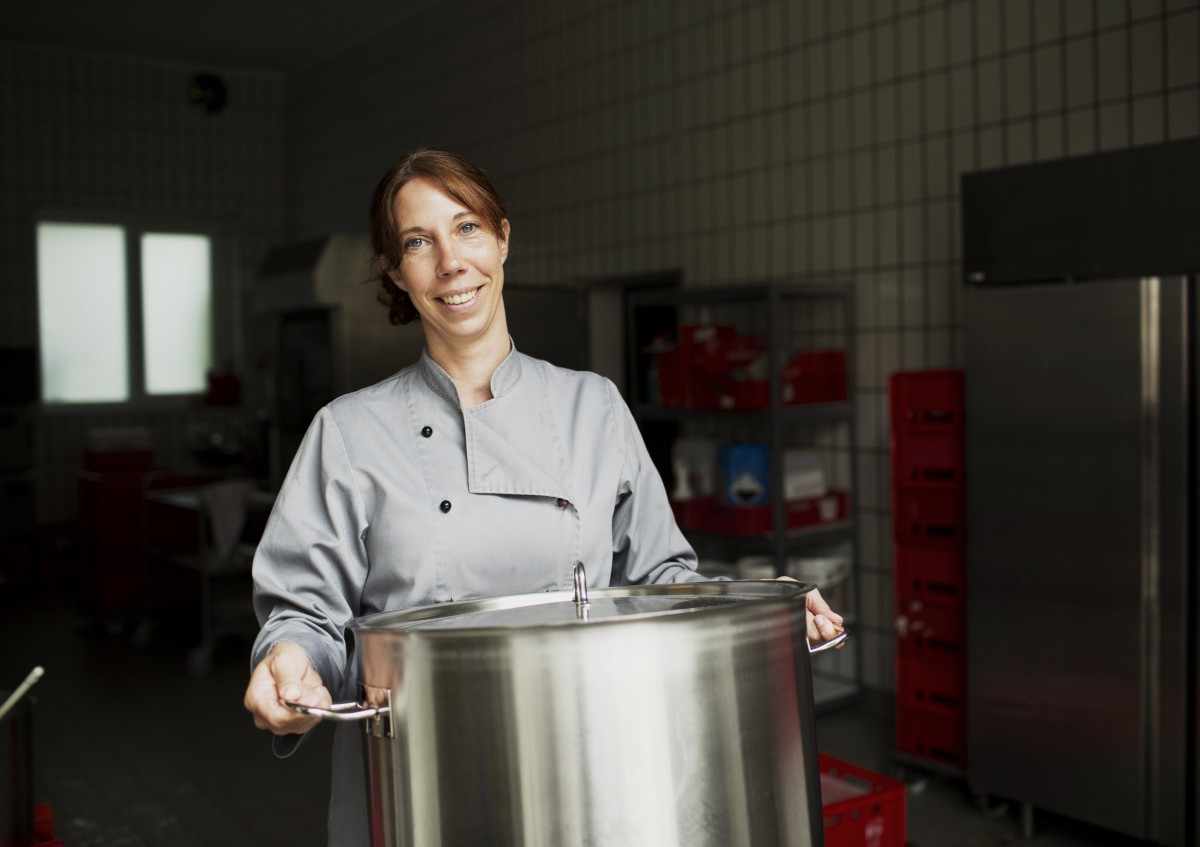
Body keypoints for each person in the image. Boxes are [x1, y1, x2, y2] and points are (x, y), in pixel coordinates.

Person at [242, 147, 845, 844]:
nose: (450, 262)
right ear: (395, 272)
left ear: (503, 237)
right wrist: (289, 661)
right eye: (417, 241)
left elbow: (664, 581)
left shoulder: (594, 407)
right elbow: (308, 615)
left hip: (596, 775)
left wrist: (759, 611)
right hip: (420, 789)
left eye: (466, 228)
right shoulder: (348, 432)